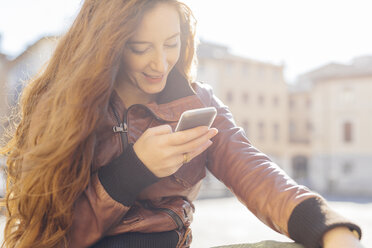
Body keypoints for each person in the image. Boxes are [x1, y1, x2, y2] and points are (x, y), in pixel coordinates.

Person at [0, 0, 363, 247]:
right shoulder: (67, 110)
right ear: (107, 44)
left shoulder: (198, 101)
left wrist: (328, 225)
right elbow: (51, 235)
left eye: (171, 44)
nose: (161, 63)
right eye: (140, 48)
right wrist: (132, 171)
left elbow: (256, 173)